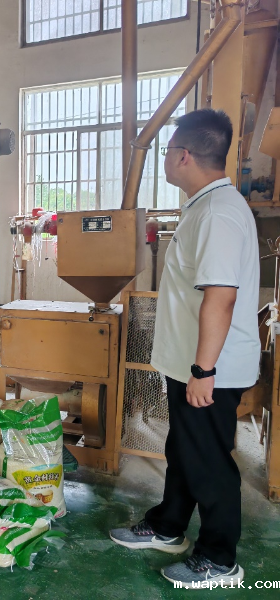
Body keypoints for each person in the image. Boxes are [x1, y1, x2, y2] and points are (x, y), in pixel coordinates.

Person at [109, 109, 259, 589]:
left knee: (208, 461)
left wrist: (203, 370)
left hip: (210, 368)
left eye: (169, 151)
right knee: (184, 450)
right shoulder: (203, 206)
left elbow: (221, 296)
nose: (166, 159)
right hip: (189, 363)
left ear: (184, 156)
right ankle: (168, 525)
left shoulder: (218, 213)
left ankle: (219, 559)